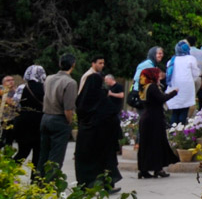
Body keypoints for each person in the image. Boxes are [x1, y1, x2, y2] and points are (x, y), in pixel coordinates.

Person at [74, 56, 124, 191]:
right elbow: (111, 115)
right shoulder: (101, 100)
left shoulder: (82, 102)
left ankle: (84, 186)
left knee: (86, 162)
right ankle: (107, 185)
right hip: (102, 139)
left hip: (86, 137)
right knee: (106, 161)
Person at [36, 55, 77, 181]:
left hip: (46, 116)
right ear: (73, 65)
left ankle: (39, 180)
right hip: (59, 119)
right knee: (56, 156)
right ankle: (50, 182)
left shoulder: (49, 78)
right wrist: (70, 121)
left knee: (44, 153)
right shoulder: (70, 82)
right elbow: (68, 108)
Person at [136, 68, 177, 179]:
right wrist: (174, 92)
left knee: (146, 145)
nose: (159, 76)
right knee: (156, 143)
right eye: (157, 74)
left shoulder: (144, 87)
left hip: (146, 118)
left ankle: (144, 169)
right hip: (154, 119)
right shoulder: (152, 87)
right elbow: (161, 98)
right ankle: (158, 169)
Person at [11, 65, 45, 162]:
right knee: (38, 152)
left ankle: (11, 172)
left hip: (23, 121)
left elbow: (15, 103)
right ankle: (35, 176)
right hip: (39, 121)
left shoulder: (22, 87)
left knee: (23, 152)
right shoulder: (45, 87)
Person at [165, 41, 202, 125]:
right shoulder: (190, 59)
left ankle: (173, 131)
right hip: (186, 88)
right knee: (184, 110)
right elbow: (196, 74)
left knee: (175, 111)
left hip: (174, 88)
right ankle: (180, 131)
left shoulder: (171, 60)